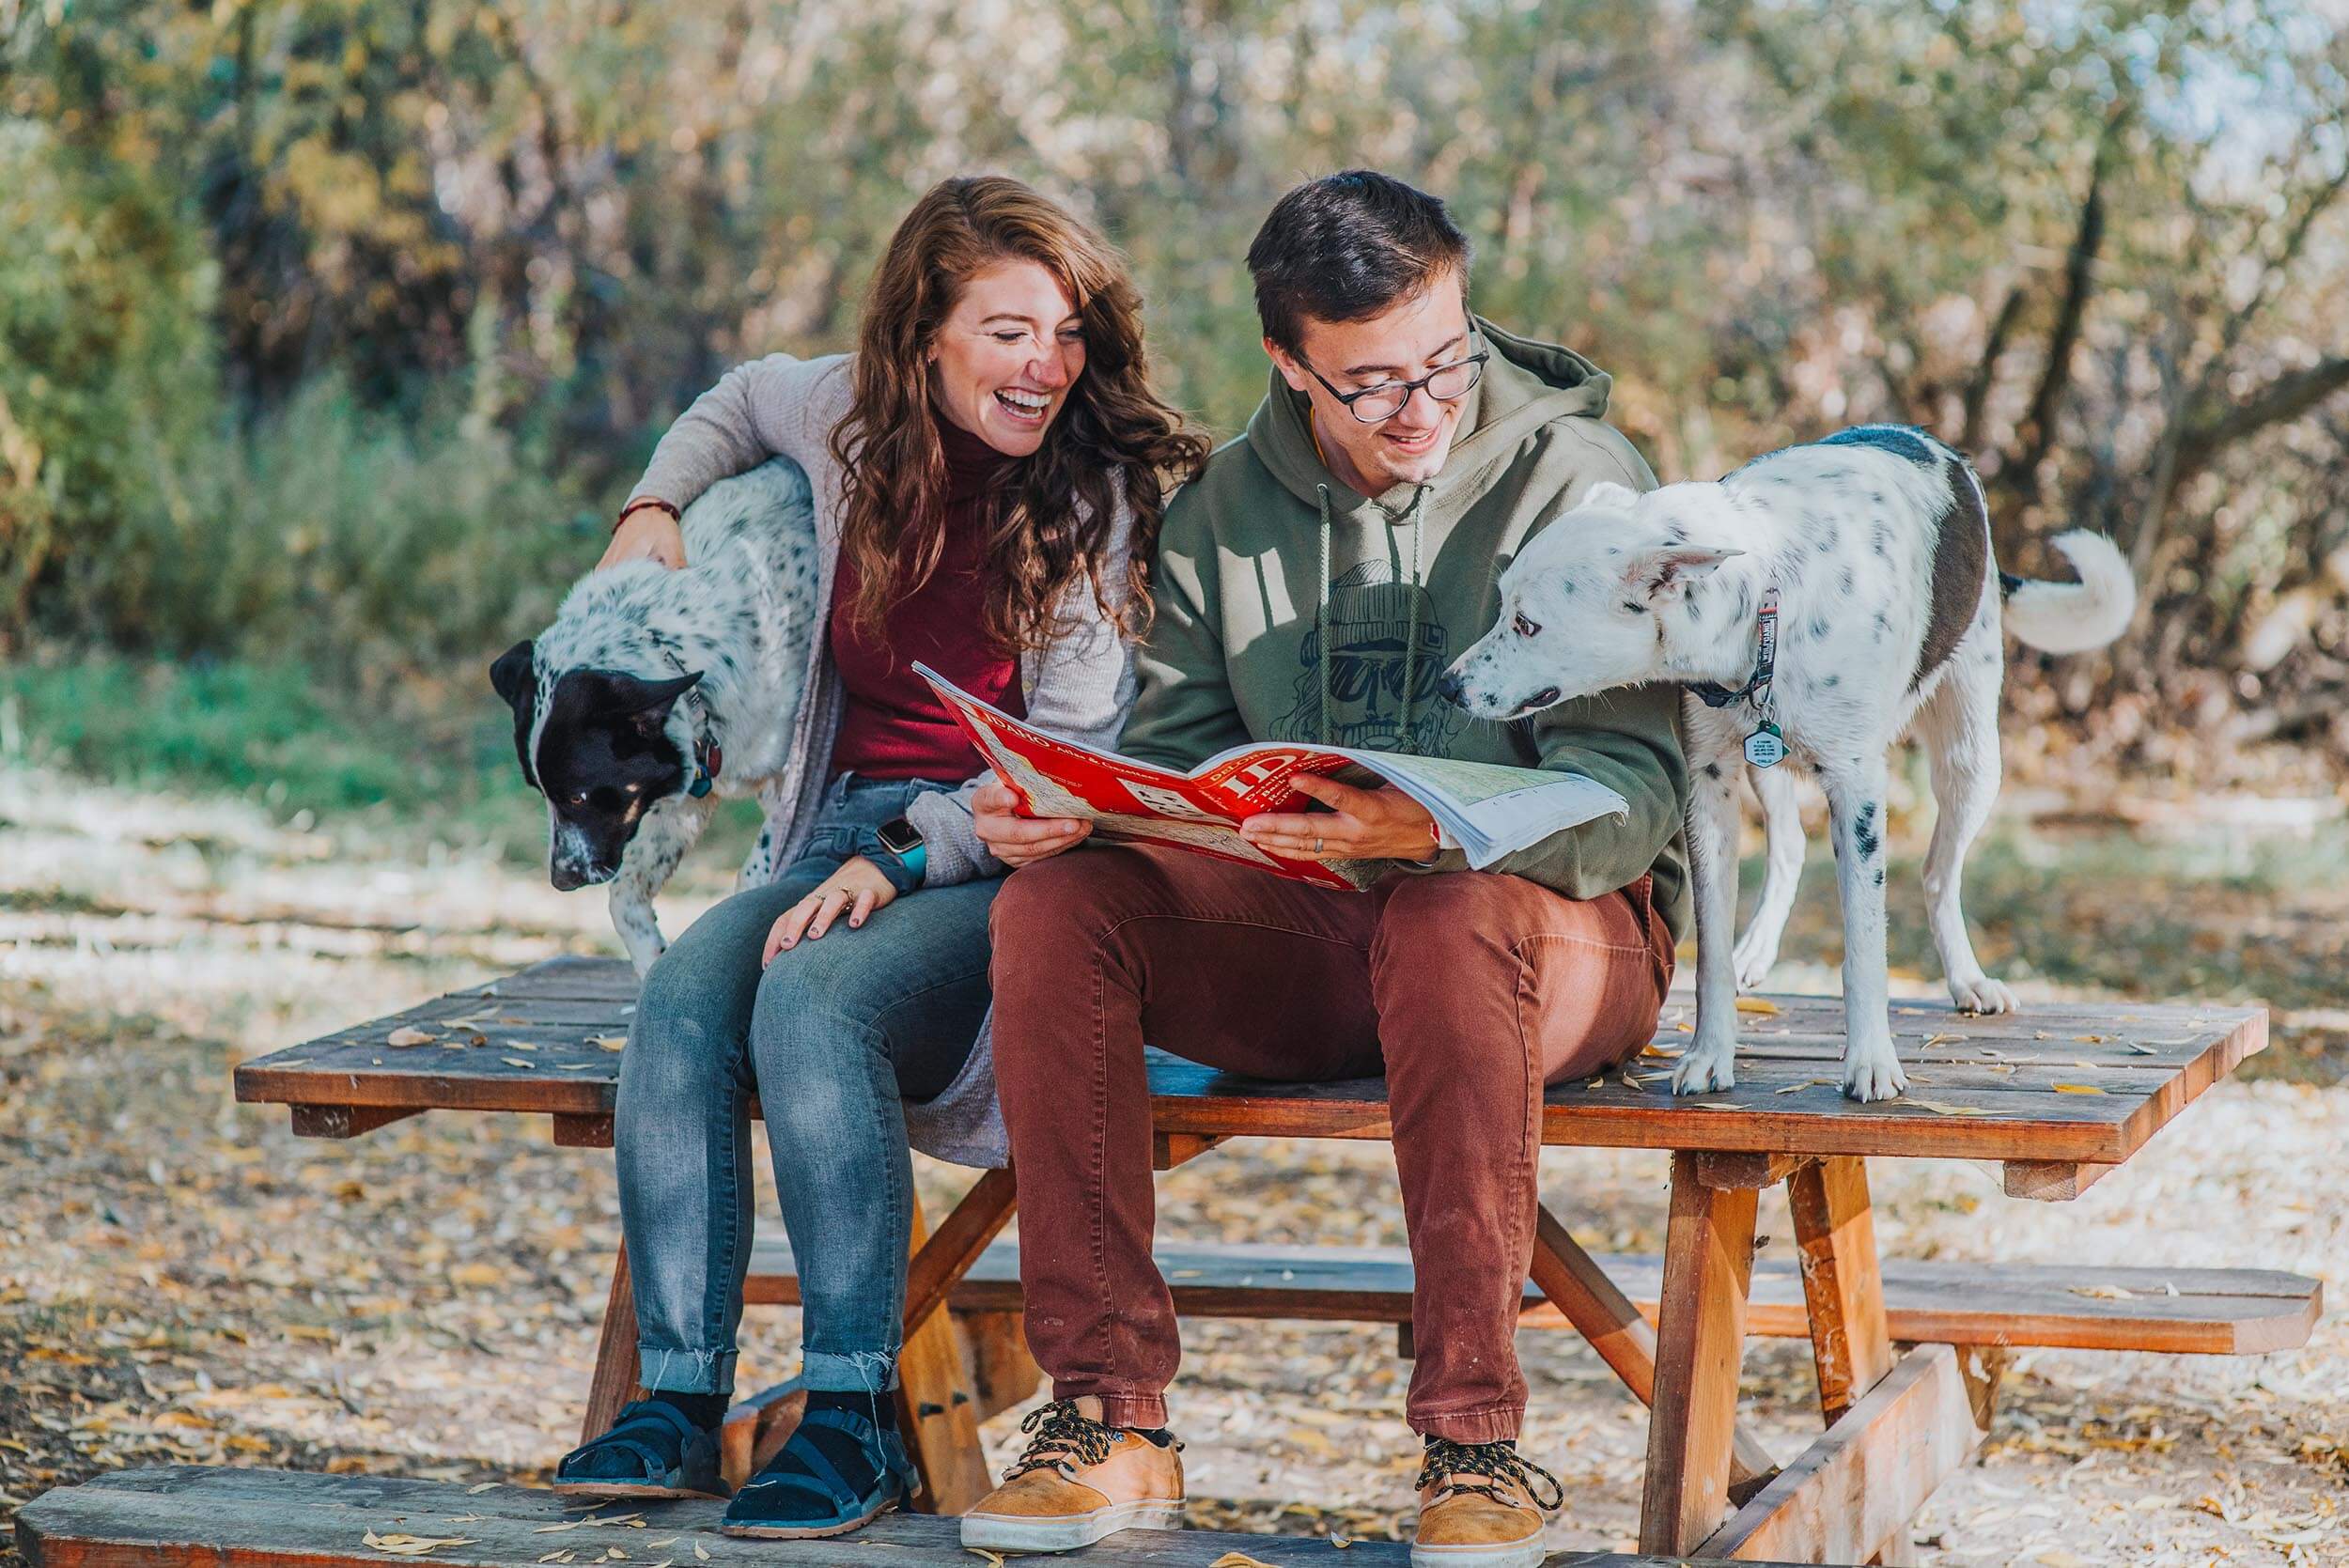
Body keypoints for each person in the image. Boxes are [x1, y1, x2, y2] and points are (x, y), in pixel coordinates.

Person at [961, 171, 1688, 1568]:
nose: (1423, 405)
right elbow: (1178, 754)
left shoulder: (1581, 483)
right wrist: (1088, 813)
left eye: (1445, 360)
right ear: (1291, 366)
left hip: (1564, 941)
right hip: (1314, 934)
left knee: (1451, 909)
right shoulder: (1226, 507)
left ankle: (1474, 1442)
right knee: (1060, 905)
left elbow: (1639, 797)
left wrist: (1432, 828)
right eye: (1372, 383)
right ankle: (1110, 1415)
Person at [552, 175, 1205, 1541]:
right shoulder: (845, 416)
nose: (1049, 365)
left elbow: (1065, 760)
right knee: (677, 1002)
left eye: (1068, 333)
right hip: (834, 828)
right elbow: (733, 398)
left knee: (816, 997)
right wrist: (650, 502)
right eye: (1010, 331)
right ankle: (676, 1399)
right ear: (922, 339)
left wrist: (910, 860)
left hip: (1004, 858)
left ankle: (852, 1419)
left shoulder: (1089, 501)